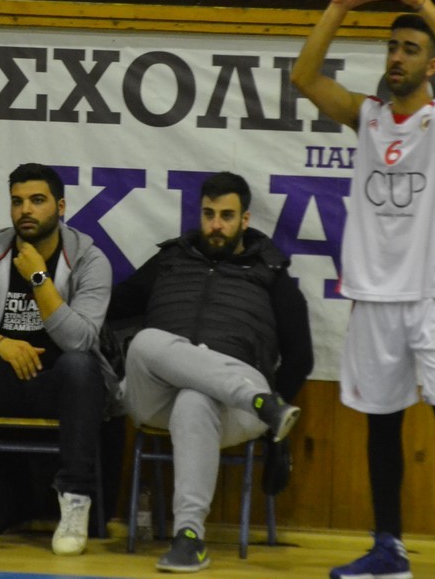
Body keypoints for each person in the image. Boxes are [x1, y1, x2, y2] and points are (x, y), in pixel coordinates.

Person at [290, 0, 435, 579]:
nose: (397, 58)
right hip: (374, 299)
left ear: (431, 65)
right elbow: (304, 77)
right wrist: (339, 4)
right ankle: (389, 550)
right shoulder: (367, 117)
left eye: (410, 49)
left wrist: (419, 1)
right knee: (381, 428)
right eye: (392, 48)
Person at [107, 171, 314, 573]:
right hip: (159, 398)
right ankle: (262, 402)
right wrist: (49, 280)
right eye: (208, 214)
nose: (216, 225)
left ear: (245, 220)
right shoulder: (170, 260)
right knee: (146, 341)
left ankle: (189, 538)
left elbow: (301, 357)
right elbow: (111, 305)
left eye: (226, 216)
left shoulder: (271, 273)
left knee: (195, 398)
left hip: (232, 411)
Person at [0, 162, 115, 557]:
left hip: (60, 385)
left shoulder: (90, 260)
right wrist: (1, 344)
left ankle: (74, 501)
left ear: (60, 207)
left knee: (80, 365)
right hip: (0, 382)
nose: (26, 210)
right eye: (17, 202)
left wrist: (39, 279)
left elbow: (80, 339)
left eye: (37, 201)